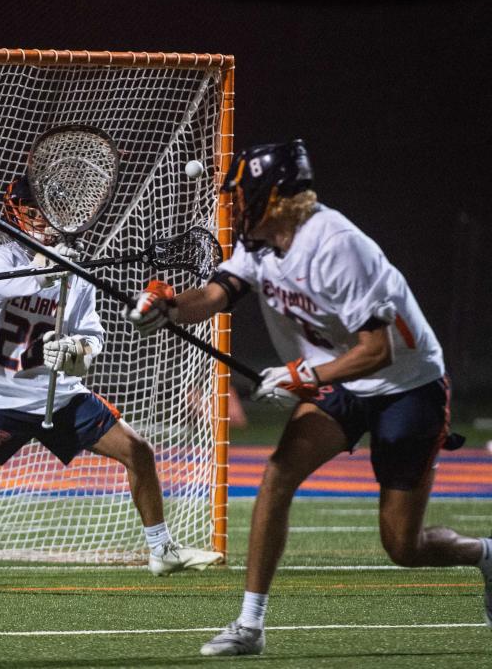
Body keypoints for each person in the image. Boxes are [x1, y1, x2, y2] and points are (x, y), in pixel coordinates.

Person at [127, 139, 492, 655]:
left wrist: (307, 374)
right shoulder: (258, 242)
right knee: (278, 474)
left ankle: (486, 554)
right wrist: (166, 306)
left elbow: (377, 351)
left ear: (274, 198)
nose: (233, 203)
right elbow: (215, 295)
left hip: (406, 386)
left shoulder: (337, 245)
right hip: (340, 380)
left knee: (402, 546)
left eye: (244, 193)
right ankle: (250, 626)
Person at [0, 174, 223, 576]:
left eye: (49, 214)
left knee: (139, 451)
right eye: (33, 213)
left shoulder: (76, 270)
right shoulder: (0, 260)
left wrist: (77, 353)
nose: (43, 221)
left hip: (61, 397)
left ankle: (162, 549)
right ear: (16, 213)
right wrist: (44, 270)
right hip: (1, 396)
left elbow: (93, 335)